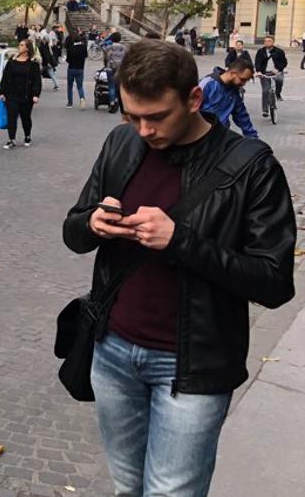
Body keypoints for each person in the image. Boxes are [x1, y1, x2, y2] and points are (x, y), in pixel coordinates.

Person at [62, 39, 295, 497]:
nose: (144, 130)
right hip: (112, 353)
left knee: (171, 492)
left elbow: (274, 282)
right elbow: (73, 233)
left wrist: (180, 241)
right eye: (133, 116)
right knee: (127, 485)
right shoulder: (121, 143)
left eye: (157, 117)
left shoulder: (252, 167)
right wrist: (92, 223)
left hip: (193, 368)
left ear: (194, 99)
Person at [0, 39, 42, 149]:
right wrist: (2, 92)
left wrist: (36, 95)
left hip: (26, 96)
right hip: (12, 95)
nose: (19, 47)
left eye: (22, 45)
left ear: (27, 48)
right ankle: (11, 139)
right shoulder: (11, 63)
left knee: (25, 118)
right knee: (12, 117)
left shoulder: (33, 64)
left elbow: (37, 81)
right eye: (19, 45)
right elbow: (5, 79)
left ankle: (27, 135)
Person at [200, 56, 259, 139]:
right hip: (202, 138)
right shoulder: (207, 84)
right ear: (232, 73)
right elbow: (190, 110)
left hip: (220, 137)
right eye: (242, 79)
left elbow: (242, 116)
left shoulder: (234, 91)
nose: (244, 83)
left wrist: (254, 139)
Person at [254, 35, 287, 105]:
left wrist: (278, 69)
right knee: (265, 91)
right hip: (264, 73)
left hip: (276, 72)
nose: (267, 43)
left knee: (280, 80)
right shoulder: (261, 51)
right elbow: (257, 62)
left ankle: (278, 93)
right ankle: (265, 110)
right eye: (265, 41)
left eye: (269, 41)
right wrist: (259, 71)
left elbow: (284, 62)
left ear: (273, 42)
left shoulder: (279, 51)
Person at [104, 31, 126, 114]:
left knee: (111, 86)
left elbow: (106, 58)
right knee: (119, 86)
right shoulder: (124, 48)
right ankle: (118, 100)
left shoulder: (108, 48)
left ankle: (112, 103)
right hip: (120, 69)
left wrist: (106, 66)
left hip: (110, 68)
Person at [66, 31, 88, 109]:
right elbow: (85, 56)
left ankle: (70, 102)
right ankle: (82, 99)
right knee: (80, 86)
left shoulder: (70, 48)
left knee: (70, 86)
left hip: (71, 68)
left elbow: (67, 60)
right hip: (80, 68)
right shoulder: (83, 47)